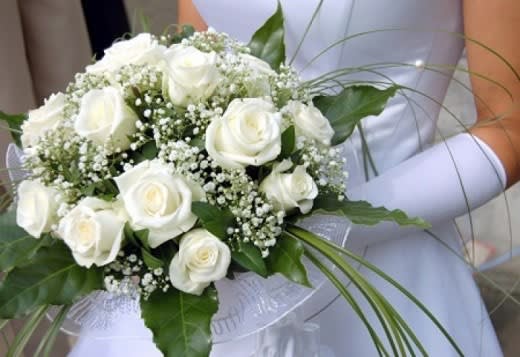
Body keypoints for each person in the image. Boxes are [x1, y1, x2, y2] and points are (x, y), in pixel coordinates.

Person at [69, 0, 519, 356]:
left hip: (382, 260)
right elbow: (198, 57)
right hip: (218, 254)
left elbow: (509, 127)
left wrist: (330, 224)